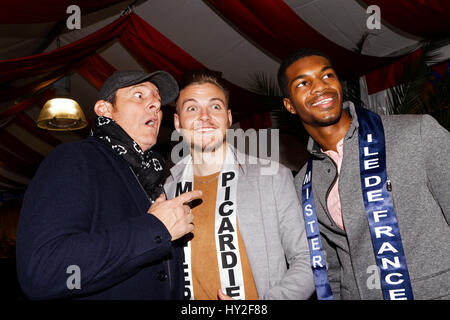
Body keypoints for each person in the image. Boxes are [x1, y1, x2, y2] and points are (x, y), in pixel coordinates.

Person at [277, 48, 450, 300]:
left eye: (327, 76)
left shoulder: (416, 133)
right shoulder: (303, 182)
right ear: (289, 105)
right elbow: (328, 268)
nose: (320, 87)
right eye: (303, 83)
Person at [16, 70, 201, 299]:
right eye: (139, 95)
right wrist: (155, 229)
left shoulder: (153, 179)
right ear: (104, 109)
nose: (154, 104)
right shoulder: (75, 159)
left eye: (157, 101)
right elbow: (44, 273)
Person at [164, 70, 315, 300]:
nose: (204, 116)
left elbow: (308, 260)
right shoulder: (167, 190)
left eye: (215, 107)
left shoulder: (272, 177)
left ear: (229, 117)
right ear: (177, 122)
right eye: (192, 108)